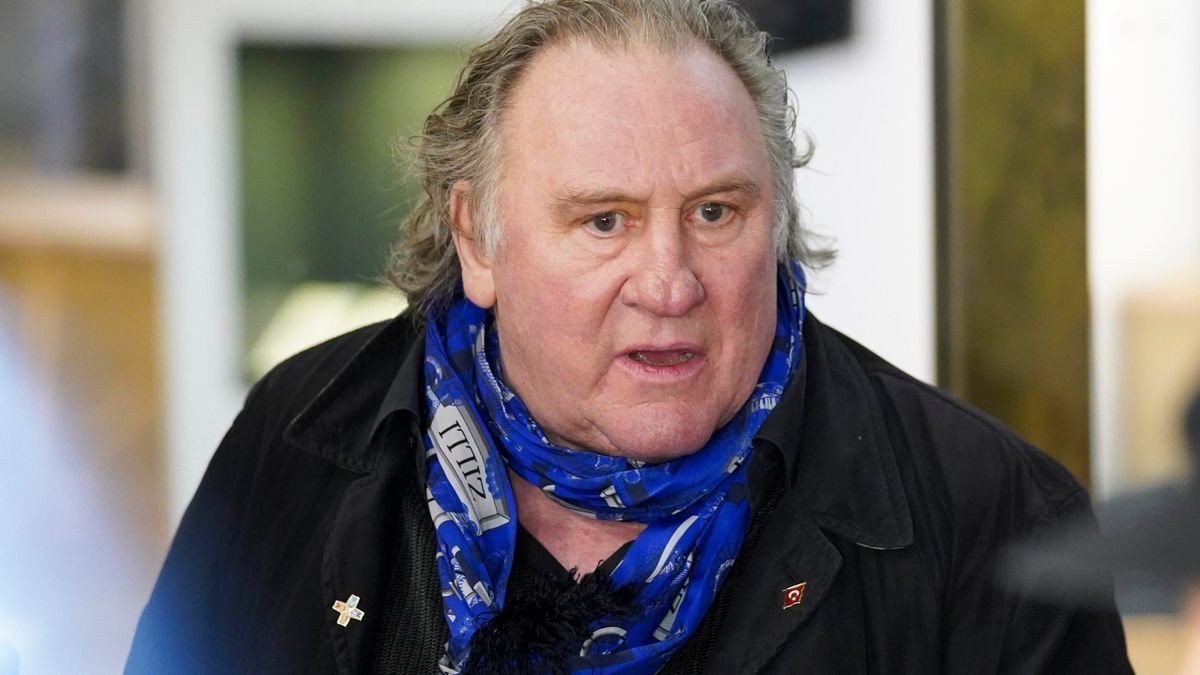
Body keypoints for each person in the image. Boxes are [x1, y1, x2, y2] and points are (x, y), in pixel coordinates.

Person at [126, 0, 1133, 672]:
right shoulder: (303, 436)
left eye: (715, 213)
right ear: (478, 238)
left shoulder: (998, 522)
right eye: (604, 220)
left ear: (776, 217)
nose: (668, 282)